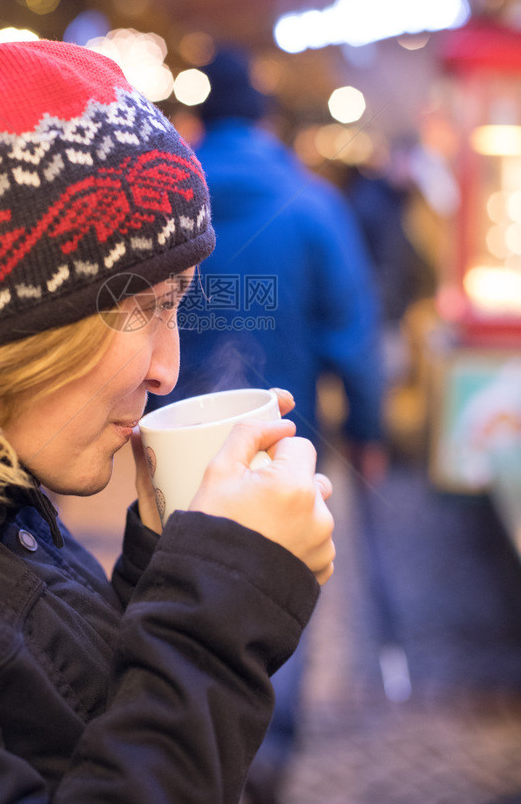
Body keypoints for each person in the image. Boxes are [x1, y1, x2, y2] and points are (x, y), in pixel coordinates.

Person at [0, 40, 335, 804]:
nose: (166, 371)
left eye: (177, 306)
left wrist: (165, 562)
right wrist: (220, 607)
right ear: (4, 327)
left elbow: (67, 716)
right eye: (143, 308)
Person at [152, 47, 386, 802]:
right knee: (284, 574)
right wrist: (369, 430)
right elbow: (350, 329)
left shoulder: (165, 198)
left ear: (197, 119)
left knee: (175, 583)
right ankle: (267, 754)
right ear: (265, 119)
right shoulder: (312, 201)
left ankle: (189, 746)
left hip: (169, 442)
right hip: (282, 441)